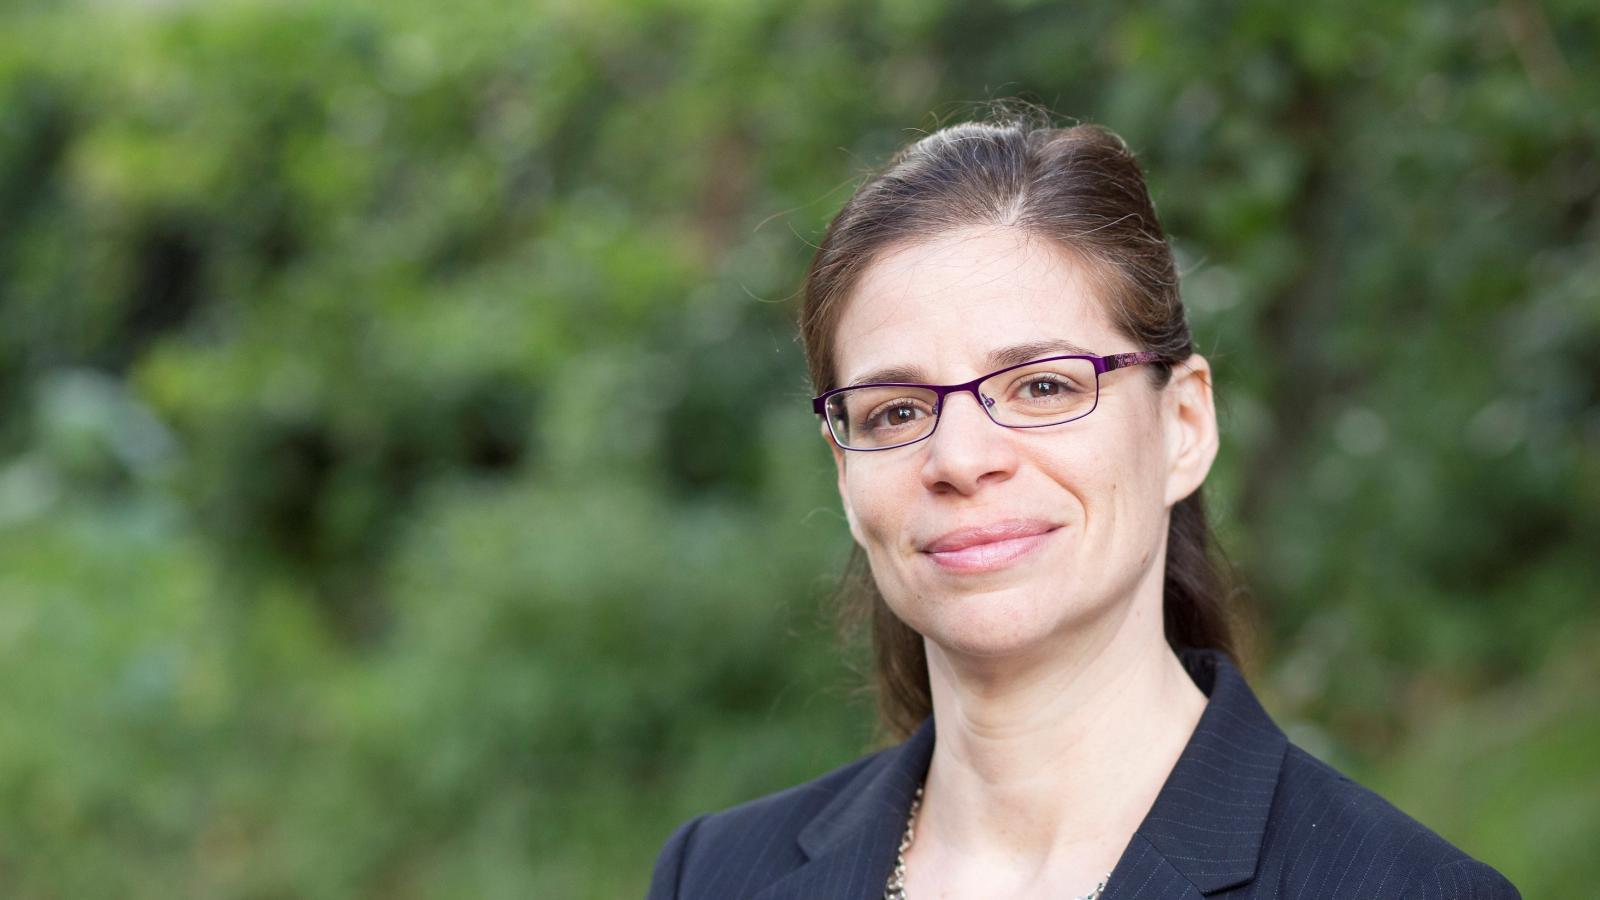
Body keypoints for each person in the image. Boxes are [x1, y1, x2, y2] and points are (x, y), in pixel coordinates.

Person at [647, 115, 1519, 899]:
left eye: (1042, 386)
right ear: (845, 474)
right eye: (898, 411)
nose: (960, 459)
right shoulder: (717, 874)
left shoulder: (1403, 888)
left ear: (1183, 425)